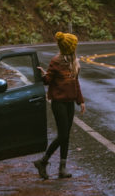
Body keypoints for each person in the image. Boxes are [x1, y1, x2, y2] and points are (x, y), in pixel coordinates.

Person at [34, 31, 86, 180]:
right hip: (59, 104)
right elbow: (48, 80)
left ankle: (62, 168)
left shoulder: (73, 63)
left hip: (69, 103)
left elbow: (76, 83)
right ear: (70, 48)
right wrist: (43, 74)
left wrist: (80, 101)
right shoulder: (56, 61)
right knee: (62, 135)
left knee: (66, 136)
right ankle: (43, 161)